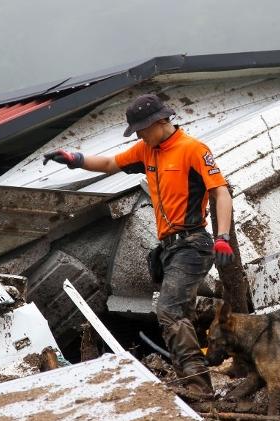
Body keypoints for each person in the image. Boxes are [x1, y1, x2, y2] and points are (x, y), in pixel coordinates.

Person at [43, 94, 234, 395]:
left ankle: (198, 386)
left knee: (169, 311)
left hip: (193, 243)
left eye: (142, 129)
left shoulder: (193, 150)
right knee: (177, 311)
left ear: (160, 122)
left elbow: (221, 192)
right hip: (169, 248)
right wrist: (74, 159)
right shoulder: (148, 151)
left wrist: (222, 237)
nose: (140, 135)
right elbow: (108, 164)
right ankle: (199, 368)